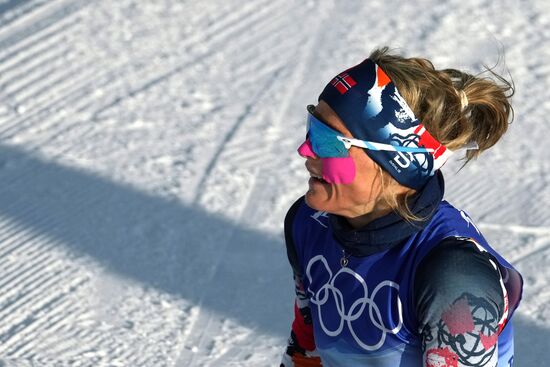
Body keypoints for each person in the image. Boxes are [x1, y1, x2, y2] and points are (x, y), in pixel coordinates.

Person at [280, 47, 523, 367]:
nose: (306, 148)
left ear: (398, 163)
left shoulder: (452, 276)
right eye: (313, 127)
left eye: (329, 140)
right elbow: (306, 348)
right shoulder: (307, 223)